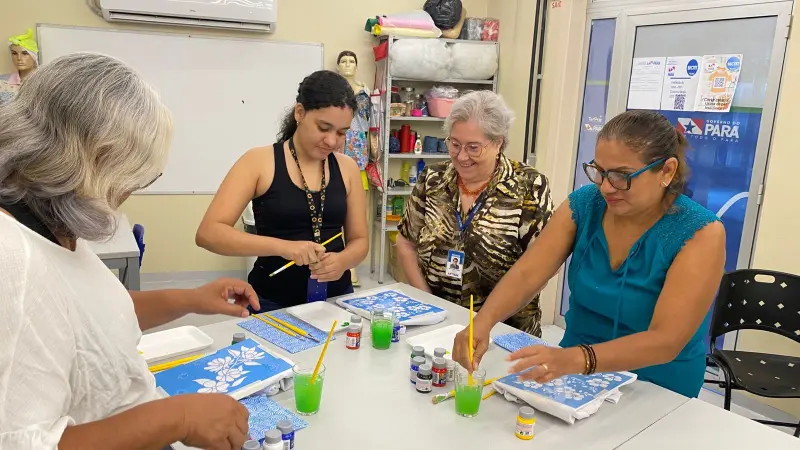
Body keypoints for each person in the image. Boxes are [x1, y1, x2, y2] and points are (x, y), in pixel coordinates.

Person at [0, 53, 259, 449]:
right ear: (89, 159)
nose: (127, 193)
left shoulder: (50, 223)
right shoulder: (13, 258)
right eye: (132, 177)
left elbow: (87, 321)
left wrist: (192, 299)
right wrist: (179, 418)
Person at [452, 110, 726, 398]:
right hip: (573, 373)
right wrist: (483, 322)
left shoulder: (700, 232)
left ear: (667, 171)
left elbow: (666, 340)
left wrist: (578, 359)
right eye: (599, 172)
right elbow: (528, 273)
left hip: (656, 385)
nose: (606, 187)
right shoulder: (586, 204)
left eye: (622, 176)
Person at [196, 70, 368, 311]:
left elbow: (360, 241)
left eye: (341, 133)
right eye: (323, 128)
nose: (332, 141)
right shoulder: (258, 162)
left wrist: (342, 261)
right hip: (271, 303)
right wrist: (284, 247)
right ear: (300, 113)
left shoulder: (347, 168)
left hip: (335, 301)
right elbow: (208, 234)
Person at [396, 91, 553, 336]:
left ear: (498, 142)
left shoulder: (528, 186)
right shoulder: (433, 179)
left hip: (503, 330)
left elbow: (542, 267)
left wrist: (485, 323)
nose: (461, 156)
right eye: (454, 144)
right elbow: (406, 243)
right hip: (437, 325)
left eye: (473, 147)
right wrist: (429, 306)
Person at [0, 29, 39, 105]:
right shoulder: (2, 81)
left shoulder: (45, 82)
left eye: (25, 53)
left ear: (34, 56)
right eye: (14, 53)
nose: (19, 58)